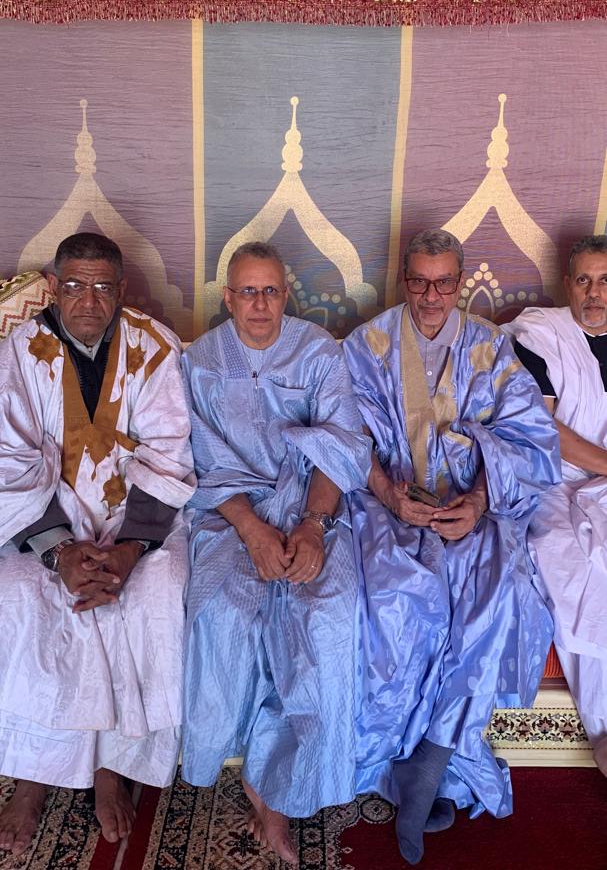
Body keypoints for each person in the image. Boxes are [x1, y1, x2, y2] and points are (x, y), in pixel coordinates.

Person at [342, 228, 561, 865]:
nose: (431, 295)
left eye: (444, 282)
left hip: (471, 507)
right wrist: (388, 494)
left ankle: (433, 760)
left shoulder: (491, 347)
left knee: (497, 595)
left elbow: (533, 439)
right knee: (393, 599)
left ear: (461, 282)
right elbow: (343, 435)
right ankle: (411, 761)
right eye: (419, 281)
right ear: (403, 279)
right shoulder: (366, 346)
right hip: (390, 507)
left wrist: (482, 501)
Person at [0, 232, 195, 857]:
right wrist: (60, 552)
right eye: (76, 286)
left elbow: (171, 453)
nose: (89, 301)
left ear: (122, 290)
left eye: (103, 287)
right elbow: (8, 460)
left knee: (156, 594)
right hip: (44, 521)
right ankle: (32, 776)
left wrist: (129, 549)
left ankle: (114, 766)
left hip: (140, 523)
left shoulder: (153, 345)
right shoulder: (19, 351)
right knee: (19, 596)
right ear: (54, 288)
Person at [182, 241, 371, 865]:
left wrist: (313, 526)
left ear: (285, 295)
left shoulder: (318, 351)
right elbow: (200, 460)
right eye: (247, 292)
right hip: (228, 513)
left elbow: (342, 445)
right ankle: (262, 787)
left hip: (312, 509)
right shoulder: (200, 361)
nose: (259, 304)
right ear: (227, 298)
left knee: (326, 618)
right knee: (230, 614)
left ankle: (290, 781)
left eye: (270, 291)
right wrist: (251, 530)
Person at [507, 233, 607, 774]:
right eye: (584, 280)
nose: (595, 293)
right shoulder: (541, 335)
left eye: (606, 280)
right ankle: (603, 726)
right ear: (567, 284)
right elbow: (543, 429)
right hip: (551, 481)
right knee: (569, 564)